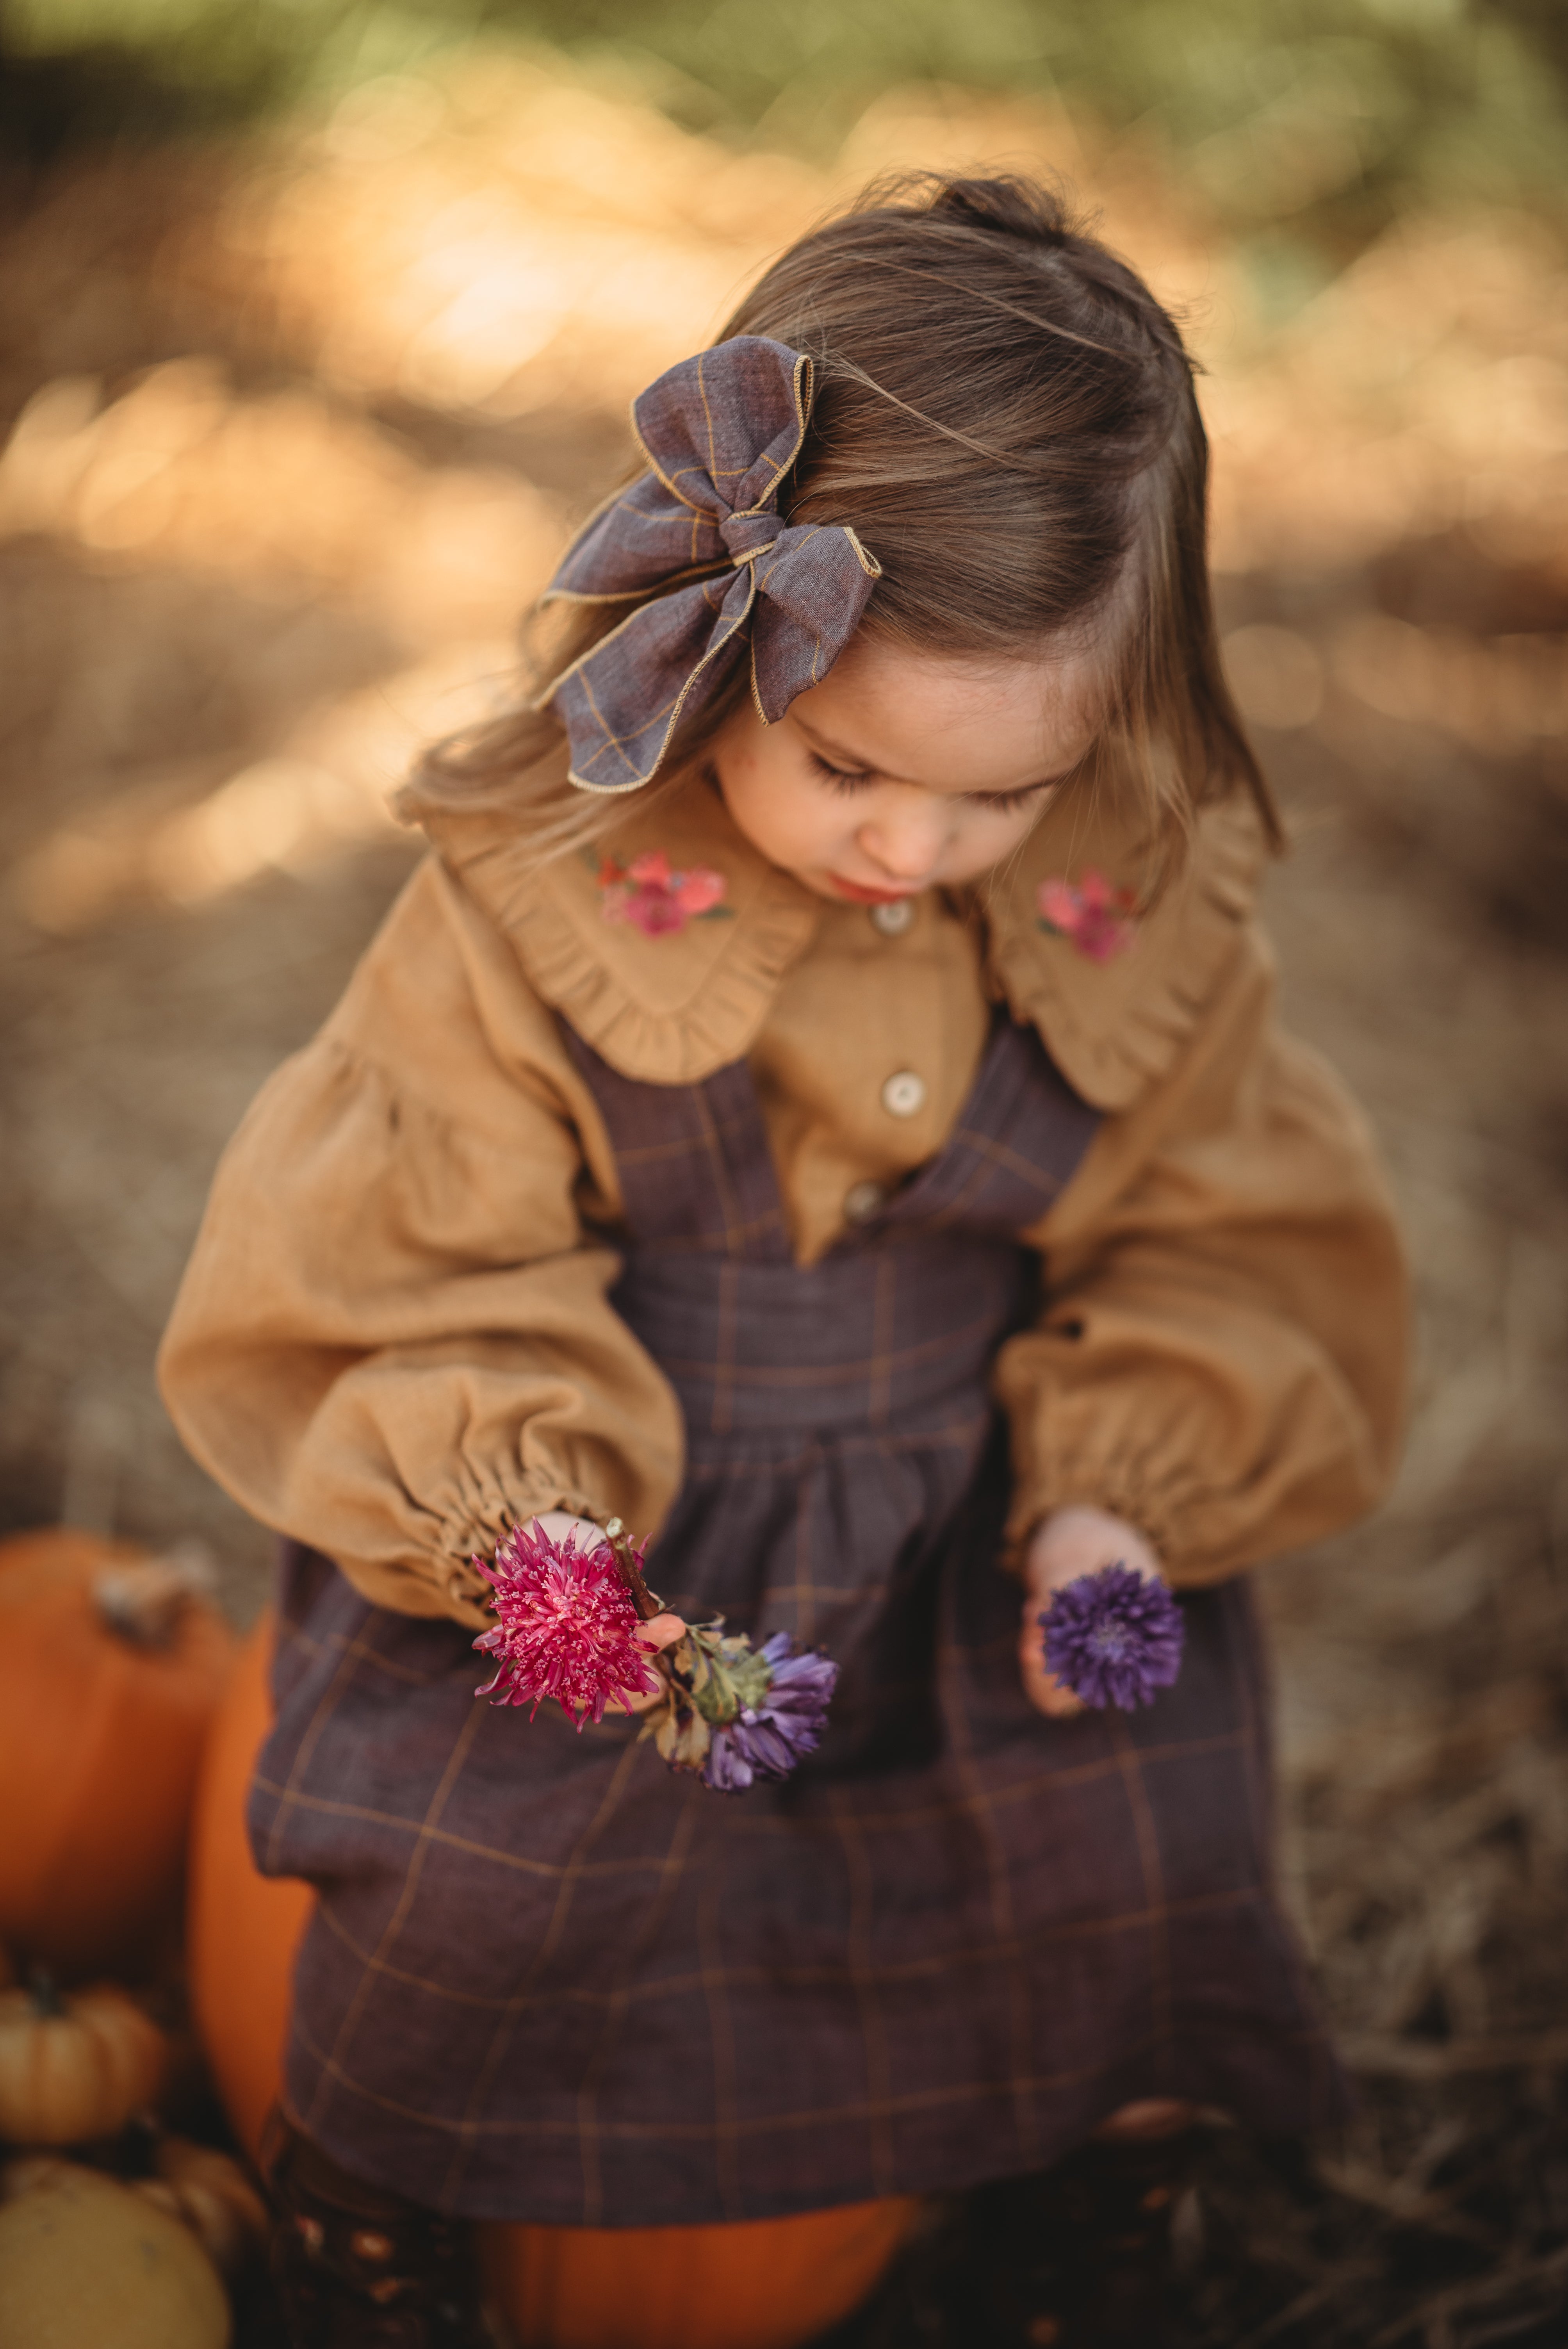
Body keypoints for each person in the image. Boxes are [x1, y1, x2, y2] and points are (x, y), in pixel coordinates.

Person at [159, 172, 1407, 2349]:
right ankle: (370, 2222)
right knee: (473, 1876)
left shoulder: (1143, 904)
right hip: (625, 1533)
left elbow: (1224, 1227)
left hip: (980, 1523)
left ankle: (1087, 2220)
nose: (914, 853)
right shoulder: (538, 900)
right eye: (846, 767)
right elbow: (419, 1253)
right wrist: (525, 1532)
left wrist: (1124, 1487)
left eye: (1001, 800)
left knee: (1142, 1823)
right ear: (711, 639)